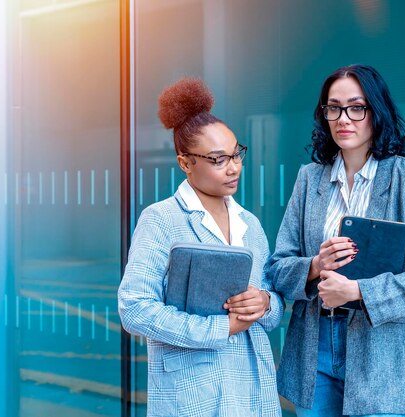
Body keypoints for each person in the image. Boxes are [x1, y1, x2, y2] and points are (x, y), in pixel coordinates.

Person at [267, 64, 405, 417]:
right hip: (316, 346)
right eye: (333, 107)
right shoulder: (309, 179)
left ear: (376, 111)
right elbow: (277, 268)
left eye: (357, 107)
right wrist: (314, 266)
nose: (344, 118)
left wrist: (359, 293)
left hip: (382, 351)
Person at [118, 77, 284, 417]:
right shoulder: (162, 219)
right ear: (185, 163)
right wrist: (218, 328)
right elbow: (134, 308)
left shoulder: (249, 224)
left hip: (253, 391)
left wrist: (266, 303)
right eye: (218, 159)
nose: (234, 167)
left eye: (236, 153)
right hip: (193, 395)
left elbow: (274, 309)